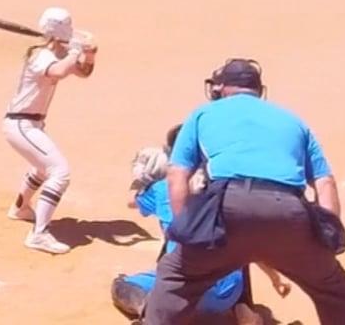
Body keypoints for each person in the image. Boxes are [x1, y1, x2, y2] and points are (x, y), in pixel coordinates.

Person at [140, 58, 345, 325]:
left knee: (175, 278)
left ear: (221, 88)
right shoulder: (293, 121)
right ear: (259, 90)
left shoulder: (202, 114)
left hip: (229, 208)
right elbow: (324, 182)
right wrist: (326, 239)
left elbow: (177, 175)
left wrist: (187, 230)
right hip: (289, 213)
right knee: (335, 290)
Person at [115, 123, 292, 324]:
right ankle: (243, 308)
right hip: (228, 292)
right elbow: (254, 249)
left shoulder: (162, 188)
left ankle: (150, 309)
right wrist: (275, 279)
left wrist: (145, 181)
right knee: (235, 245)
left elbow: (131, 203)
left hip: (183, 291)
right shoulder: (230, 189)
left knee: (123, 285)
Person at [3, 7, 97, 255]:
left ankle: (20, 208)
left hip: (31, 124)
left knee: (42, 167)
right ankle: (38, 235)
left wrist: (89, 55)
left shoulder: (57, 53)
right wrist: (75, 51)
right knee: (60, 172)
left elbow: (83, 72)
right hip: (20, 124)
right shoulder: (41, 56)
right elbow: (59, 71)